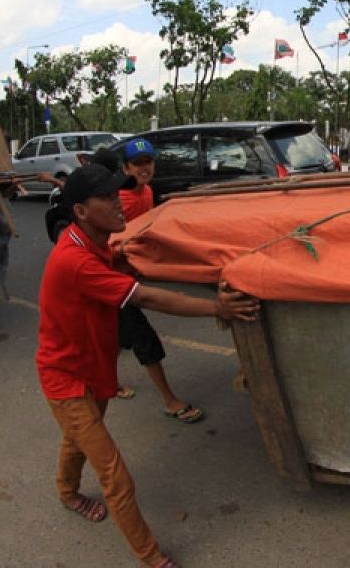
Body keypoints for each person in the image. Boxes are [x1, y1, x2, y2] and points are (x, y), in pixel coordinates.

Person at [36, 163, 260, 568]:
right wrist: (217, 306)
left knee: (75, 440)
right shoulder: (76, 261)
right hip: (65, 377)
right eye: (107, 198)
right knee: (116, 478)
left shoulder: (94, 240)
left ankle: (66, 492)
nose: (119, 201)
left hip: (92, 367)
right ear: (81, 211)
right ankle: (151, 557)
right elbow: (147, 298)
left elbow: (131, 257)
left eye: (117, 193)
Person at [115, 138, 205, 423]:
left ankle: (107, 381)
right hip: (112, 280)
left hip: (130, 273)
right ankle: (169, 400)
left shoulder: (148, 192)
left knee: (117, 336)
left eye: (148, 162)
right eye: (138, 164)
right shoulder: (117, 198)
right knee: (144, 339)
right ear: (126, 168)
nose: (144, 168)